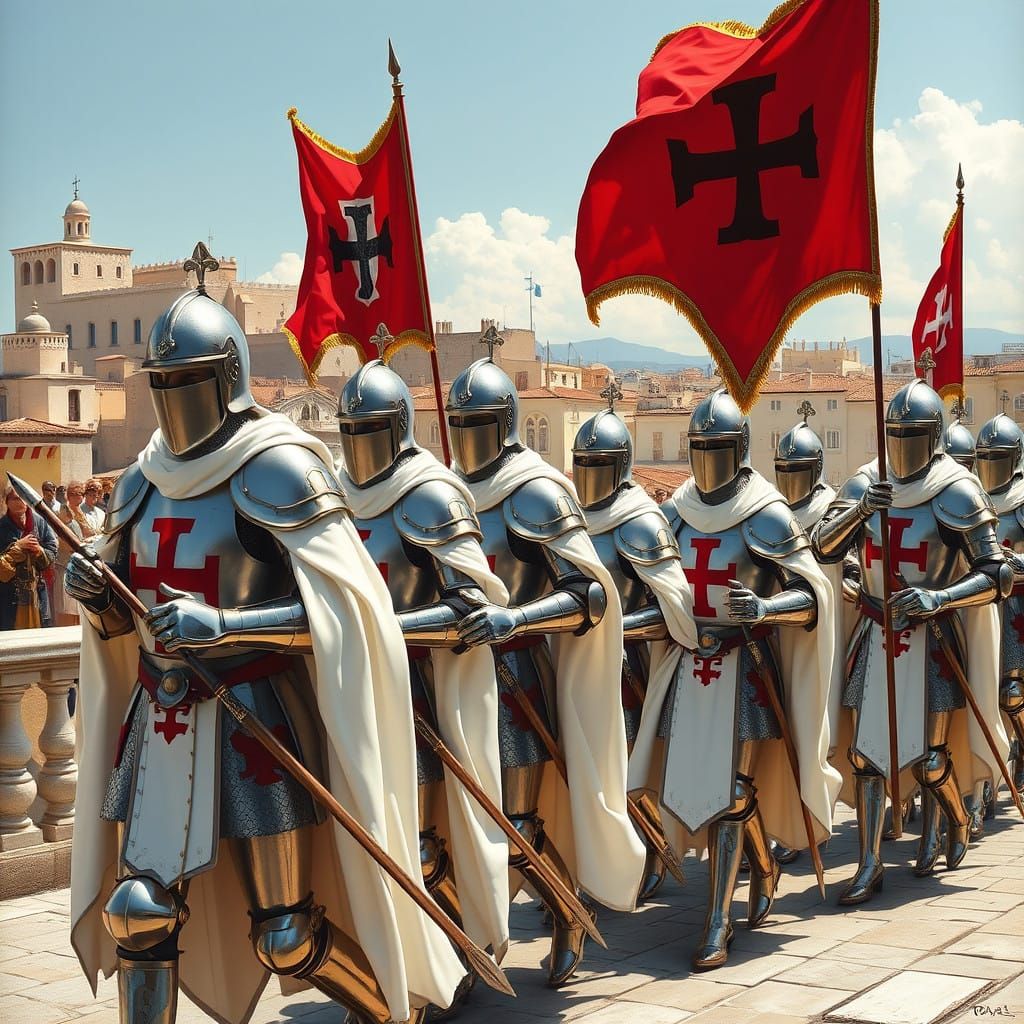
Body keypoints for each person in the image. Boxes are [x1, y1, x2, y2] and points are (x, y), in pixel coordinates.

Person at [63, 274, 467, 1024]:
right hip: (162, 720)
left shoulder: (279, 466)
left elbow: (347, 612)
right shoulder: (141, 483)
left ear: (225, 378)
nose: (174, 396)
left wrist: (229, 627)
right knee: (139, 912)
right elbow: (127, 617)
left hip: (256, 717)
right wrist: (95, 593)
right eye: (165, 382)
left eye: (188, 380)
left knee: (285, 933)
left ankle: (389, 1014)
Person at [446, 334, 646, 986]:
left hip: (515, 679)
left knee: (519, 824)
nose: (467, 434)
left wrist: (514, 618)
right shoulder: (438, 489)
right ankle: (463, 947)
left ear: (502, 424)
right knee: (453, 823)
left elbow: (588, 597)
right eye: (458, 423)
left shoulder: (536, 491)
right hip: (445, 678)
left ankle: (564, 914)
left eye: (477, 422)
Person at [631, 388, 838, 970]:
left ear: (739, 448)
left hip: (745, 667)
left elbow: (811, 593)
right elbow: (656, 588)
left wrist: (767, 611)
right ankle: (762, 867)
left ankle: (717, 920)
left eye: (717, 446)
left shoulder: (766, 512)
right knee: (680, 784)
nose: (707, 458)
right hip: (686, 667)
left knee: (733, 796)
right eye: (699, 447)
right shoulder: (675, 510)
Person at [336, 355, 511, 989]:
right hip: (351, 695)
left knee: (427, 848)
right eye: (349, 430)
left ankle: (459, 962)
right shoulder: (330, 492)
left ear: (400, 427)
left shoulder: (431, 495)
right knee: (364, 843)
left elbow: (470, 608)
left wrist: (382, 633)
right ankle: (389, 977)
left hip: (423, 699)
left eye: (370, 429)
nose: (358, 445)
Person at [812, 379, 1009, 903]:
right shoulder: (866, 482)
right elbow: (823, 549)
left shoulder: (957, 489)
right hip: (875, 632)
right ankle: (871, 861)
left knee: (930, 759)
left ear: (934, 435)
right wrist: (858, 511)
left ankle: (957, 816)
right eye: (894, 432)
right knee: (865, 755)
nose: (901, 441)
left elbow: (995, 575)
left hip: (934, 639)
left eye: (912, 432)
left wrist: (938, 600)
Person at [571, 392, 697, 901]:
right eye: (582, 462)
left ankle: (644, 852)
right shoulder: (569, 513)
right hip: (574, 664)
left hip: (631, 671)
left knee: (626, 768)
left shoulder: (640, 521)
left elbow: (673, 605)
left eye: (599, 462)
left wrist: (614, 628)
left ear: (619, 465)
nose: (589, 471)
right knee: (582, 770)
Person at [975, 414, 1024, 795]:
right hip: (978, 606)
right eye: (985, 456)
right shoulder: (970, 494)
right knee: (979, 694)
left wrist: (1013, 564)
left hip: (1015, 608)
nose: (991, 464)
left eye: (999, 456)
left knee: (1012, 694)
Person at [1, 484, 58, 629]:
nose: (20, 500)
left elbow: (52, 549)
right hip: (10, 595)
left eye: (23, 497)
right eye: (15, 498)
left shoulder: (39, 522)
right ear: (6, 501)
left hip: (38, 593)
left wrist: (39, 550)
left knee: (41, 636)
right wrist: (18, 547)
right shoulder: (1, 527)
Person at [53, 480, 96, 626]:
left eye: (81, 494)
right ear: (69, 496)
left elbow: (89, 531)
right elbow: (65, 538)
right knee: (66, 606)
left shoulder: (80, 512)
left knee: (77, 606)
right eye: (75, 494)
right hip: (66, 562)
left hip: (79, 561)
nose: (79, 497)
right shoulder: (65, 512)